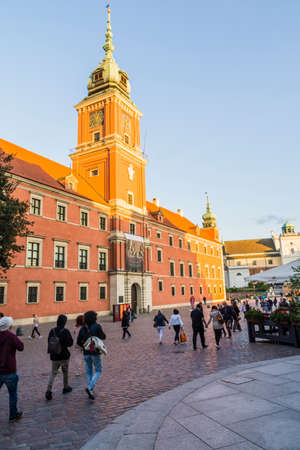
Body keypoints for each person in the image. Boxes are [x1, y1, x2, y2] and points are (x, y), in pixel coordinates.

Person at [77, 310, 106, 400]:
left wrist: (85, 346)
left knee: (89, 371)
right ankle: (90, 387)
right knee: (98, 370)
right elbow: (103, 337)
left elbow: (78, 342)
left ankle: (91, 390)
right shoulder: (97, 326)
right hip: (95, 352)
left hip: (86, 352)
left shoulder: (82, 328)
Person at [0, 316, 24, 421]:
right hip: (9, 370)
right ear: (9, 326)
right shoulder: (11, 336)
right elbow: (21, 347)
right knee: (12, 394)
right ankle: (13, 415)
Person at [45, 314, 73, 401]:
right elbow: (70, 343)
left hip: (54, 355)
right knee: (65, 372)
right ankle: (65, 387)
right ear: (64, 322)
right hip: (64, 355)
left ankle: (48, 390)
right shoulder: (66, 331)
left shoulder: (52, 330)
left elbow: (49, 341)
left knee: (53, 373)